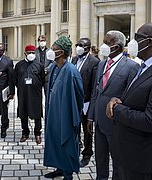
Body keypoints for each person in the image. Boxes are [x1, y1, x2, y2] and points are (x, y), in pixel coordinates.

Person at [107, 23, 152, 180]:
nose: (132, 42)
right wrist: (115, 100)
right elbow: (132, 100)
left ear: (149, 42)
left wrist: (117, 110)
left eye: (137, 37)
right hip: (124, 151)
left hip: (137, 157)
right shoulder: (143, 67)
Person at [87, 30, 139, 180]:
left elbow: (131, 98)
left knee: (118, 162)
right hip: (99, 122)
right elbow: (96, 93)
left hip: (117, 124)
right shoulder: (102, 64)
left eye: (107, 43)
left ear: (116, 46)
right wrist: (91, 117)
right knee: (100, 158)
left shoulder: (131, 66)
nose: (103, 45)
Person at [43, 36, 84, 180]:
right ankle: (59, 168)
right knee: (54, 140)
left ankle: (68, 174)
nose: (51, 51)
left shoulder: (71, 71)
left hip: (65, 115)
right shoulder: (54, 67)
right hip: (53, 112)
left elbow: (79, 96)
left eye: (54, 50)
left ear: (61, 52)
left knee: (65, 142)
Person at [71, 38, 100, 167]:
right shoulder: (74, 59)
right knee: (74, 127)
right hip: (74, 100)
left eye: (81, 46)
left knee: (87, 129)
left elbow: (94, 86)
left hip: (87, 102)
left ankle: (87, 153)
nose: (78, 47)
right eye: (77, 45)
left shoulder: (94, 62)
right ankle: (76, 147)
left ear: (88, 48)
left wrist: (92, 106)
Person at [14, 44, 45, 144]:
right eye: (29, 53)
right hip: (23, 93)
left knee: (37, 114)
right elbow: (15, 79)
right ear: (25, 53)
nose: (31, 54)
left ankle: (37, 133)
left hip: (36, 94)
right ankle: (25, 132)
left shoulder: (39, 65)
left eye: (33, 53)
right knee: (23, 113)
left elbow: (43, 79)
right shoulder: (19, 65)